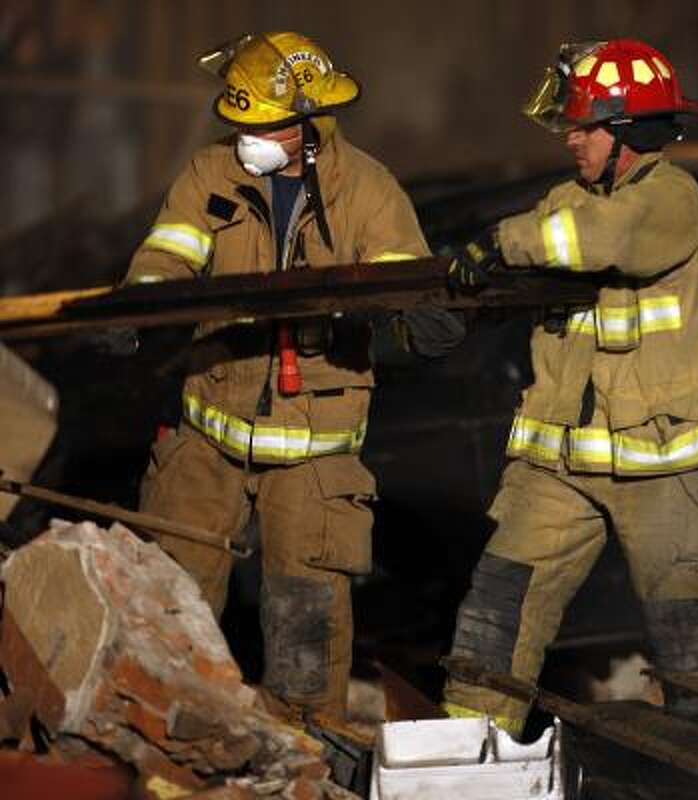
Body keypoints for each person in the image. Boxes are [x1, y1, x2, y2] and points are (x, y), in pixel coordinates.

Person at [126, 31, 458, 722]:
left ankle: (308, 758)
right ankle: (158, 737)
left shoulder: (366, 189)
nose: (247, 139)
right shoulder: (210, 174)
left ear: (305, 124)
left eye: (263, 127)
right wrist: (137, 303)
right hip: (207, 425)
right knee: (167, 598)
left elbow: (404, 280)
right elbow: (169, 249)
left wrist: (418, 318)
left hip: (314, 445)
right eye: (240, 125)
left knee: (305, 618)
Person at [443, 39, 698, 736]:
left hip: (672, 465)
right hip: (562, 466)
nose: (571, 140)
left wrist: (498, 244)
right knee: (495, 617)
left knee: (696, 654)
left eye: (585, 126)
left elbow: (601, 238)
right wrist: (455, 303)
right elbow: (548, 267)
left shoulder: (671, 199)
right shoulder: (566, 204)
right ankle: (460, 763)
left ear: (628, 132)